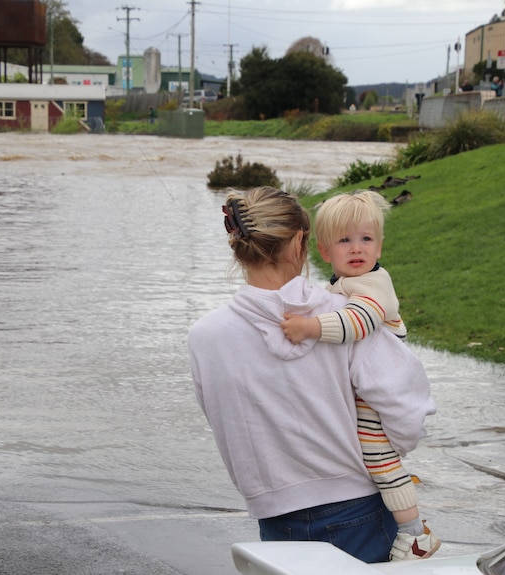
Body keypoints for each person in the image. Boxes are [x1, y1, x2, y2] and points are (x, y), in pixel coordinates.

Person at [188, 186, 436, 564]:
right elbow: (407, 409)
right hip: (359, 508)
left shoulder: (205, 336)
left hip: (273, 514)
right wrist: (384, 454)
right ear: (301, 243)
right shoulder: (350, 317)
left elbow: (225, 423)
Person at [280, 191, 441, 561]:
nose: (357, 248)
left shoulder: (373, 286)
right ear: (324, 252)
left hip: (379, 388)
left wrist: (309, 327)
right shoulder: (341, 286)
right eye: (345, 240)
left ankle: (415, 535)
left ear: (380, 247)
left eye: (366, 239)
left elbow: (359, 321)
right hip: (366, 384)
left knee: (378, 456)